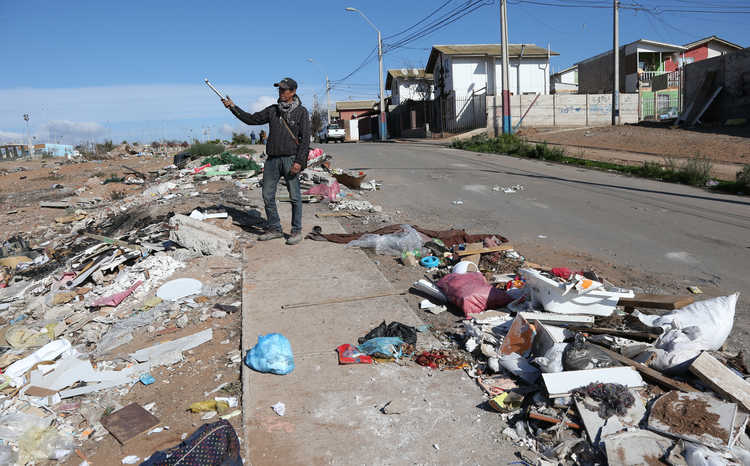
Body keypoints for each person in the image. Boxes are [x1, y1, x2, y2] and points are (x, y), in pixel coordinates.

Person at [222, 77, 310, 245]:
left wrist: (299, 161)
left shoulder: (302, 112)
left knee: (295, 197)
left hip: (291, 159)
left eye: (284, 90)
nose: (281, 93)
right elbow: (251, 119)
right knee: (267, 195)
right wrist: (233, 107)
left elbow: (305, 139)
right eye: (279, 89)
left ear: (293, 92)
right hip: (272, 161)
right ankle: (275, 228)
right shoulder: (272, 110)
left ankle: (296, 230)